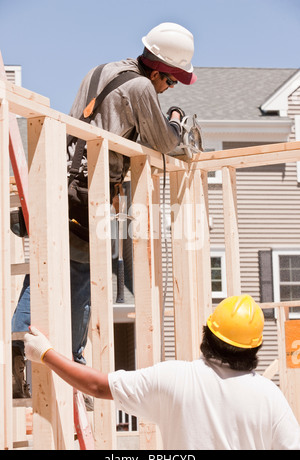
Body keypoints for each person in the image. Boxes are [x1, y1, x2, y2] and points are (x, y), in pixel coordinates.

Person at [11, 22, 198, 398]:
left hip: (59, 184)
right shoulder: (142, 86)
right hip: (87, 194)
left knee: (46, 270)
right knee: (83, 277)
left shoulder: (101, 71)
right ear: (159, 71)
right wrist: (176, 124)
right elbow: (160, 140)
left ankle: (19, 343)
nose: (168, 89)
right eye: (171, 82)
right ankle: (74, 363)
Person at [24, 294, 300, 450]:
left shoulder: (176, 379)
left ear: (208, 335)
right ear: (253, 349)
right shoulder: (270, 398)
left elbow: (97, 386)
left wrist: (45, 354)